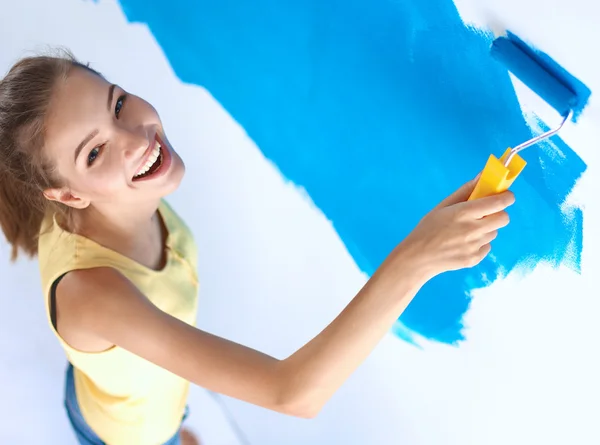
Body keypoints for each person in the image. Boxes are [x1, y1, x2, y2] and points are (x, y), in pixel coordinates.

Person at [0, 49, 514, 445]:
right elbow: (293, 392)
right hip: (128, 432)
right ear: (67, 194)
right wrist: (417, 257)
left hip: (128, 391)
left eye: (116, 103)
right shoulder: (94, 296)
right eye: (95, 151)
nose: (134, 136)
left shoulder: (107, 193)